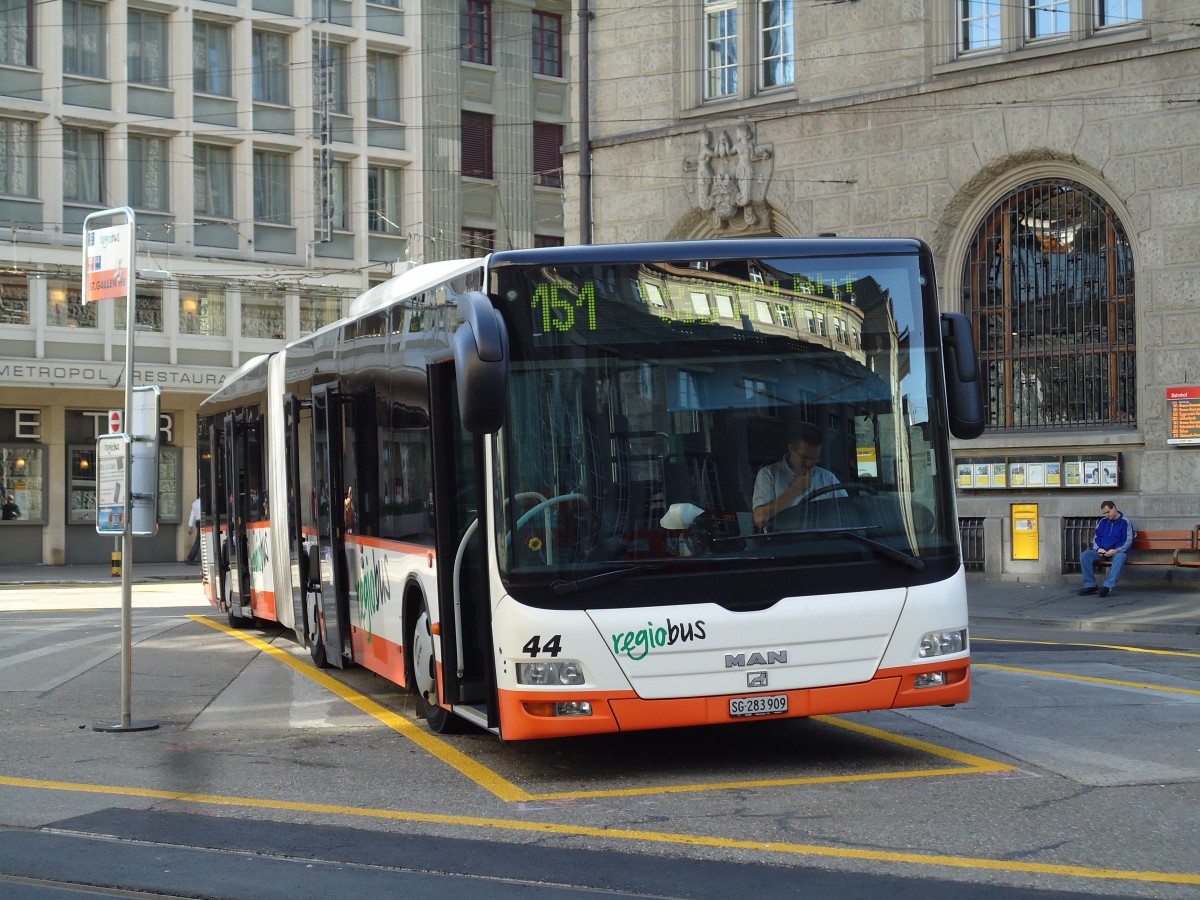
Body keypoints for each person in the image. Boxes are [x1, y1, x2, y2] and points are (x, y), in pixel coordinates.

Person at [752, 423, 843, 530]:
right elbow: (760, 519)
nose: (808, 464)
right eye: (804, 457)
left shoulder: (828, 478)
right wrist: (795, 489)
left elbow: (847, 513)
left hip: (822, 541)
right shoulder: (769, 474)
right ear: (791, 448)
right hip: (782, 543)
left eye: (814, 459)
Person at [1078, 500, 1134, 597]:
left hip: (1116, 552)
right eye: (1104, 513)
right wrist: (1098, 549)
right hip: (1102, 551)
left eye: (1108, 512)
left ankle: (1108, 586)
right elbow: (1096, 538)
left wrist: (1116, 550)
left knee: (1121, 557)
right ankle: (1090, 585)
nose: (1106, 515)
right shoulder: (1103, 522)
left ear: (1114, 508)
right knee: (1085, 555)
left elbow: (1128, 540)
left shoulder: (1125, 522)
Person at [186, 496, 202, 564]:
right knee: (199, 541)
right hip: (204, 521)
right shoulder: (204, 502)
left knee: (198, 540)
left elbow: (192, 515)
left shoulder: (195, 503)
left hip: (198, 522)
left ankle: (190, 558)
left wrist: (190, 526)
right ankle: (191, 558)